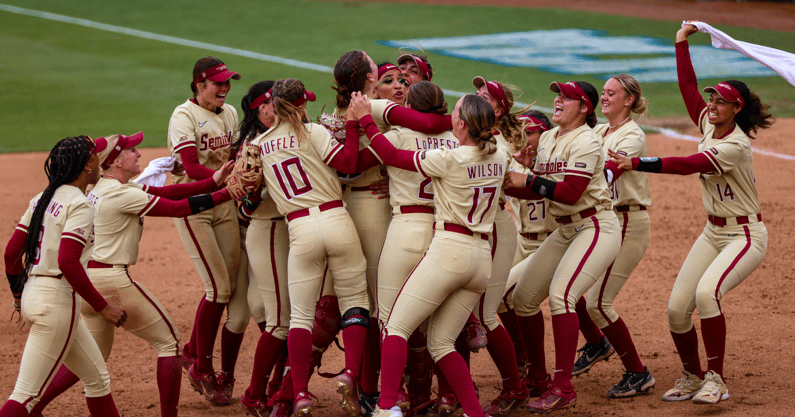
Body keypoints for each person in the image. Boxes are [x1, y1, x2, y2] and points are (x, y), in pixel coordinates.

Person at [608, 22, 771, 405]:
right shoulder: (709, 123)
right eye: (711, 99)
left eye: (720, 102)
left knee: (707, 294)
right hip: (713, 234)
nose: (710, 105)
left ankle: (717, 379)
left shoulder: (735, 145)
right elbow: (687, 88)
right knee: (677, 309)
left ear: (737, 108)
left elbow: (688, 163)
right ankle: (692, 377)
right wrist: (681, 42)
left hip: (745, 237)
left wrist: (637, 163)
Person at [27, 132, 237, 417]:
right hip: (112, 283)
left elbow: (167, 192)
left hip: (88, 284)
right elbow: (176, 209)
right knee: (170, 344)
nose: (138, 154)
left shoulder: (100, 189)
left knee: (93, 358)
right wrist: (228, 193)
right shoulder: (122, 194)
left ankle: (34, 407)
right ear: (114, 161)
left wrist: (214, 182)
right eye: (132, 150)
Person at [349, 92, 510, 417]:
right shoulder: (501, 154)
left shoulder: (450, 159)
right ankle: (475, 414)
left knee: (395, 327)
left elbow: (392, 155)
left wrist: (366, 118)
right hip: (480, 259)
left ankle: (384, 409)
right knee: (441, 343)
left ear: (461, 124)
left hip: (449, 252)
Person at [250, 78, 371, 417]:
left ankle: (300, 393)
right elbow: (348, 163)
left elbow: (249, 196)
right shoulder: (313, 132)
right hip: (336, 219)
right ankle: (350, 373)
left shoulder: (259, 145)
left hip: (299, 230)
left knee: (300, 318)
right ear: (301, 105)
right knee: (355, 302)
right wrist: (350, 124)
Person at [503, 80, 623, 413]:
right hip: (566, 229)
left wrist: (525, 178)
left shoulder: (585, 140)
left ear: (584, 108)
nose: (558, 99)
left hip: (595, 226)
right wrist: (503, 186)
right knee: (522, 299)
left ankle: (563, 387)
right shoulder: (549, 140)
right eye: (558, 94)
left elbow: (569, 192)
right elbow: (538, 190)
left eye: (567, 97)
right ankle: (538, 377)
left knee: (562, 296)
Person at [2, 136, 127, 417]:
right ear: (85, 166)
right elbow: (68, 262)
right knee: (25, 397)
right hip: (56, 303)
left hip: (34, 294)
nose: (100, 161)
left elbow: (11, 254)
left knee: (97, 379)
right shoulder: (80, 204)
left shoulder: (40, 199)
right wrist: (102, 307)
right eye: (95, 157)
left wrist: (19, 296)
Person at [569, 74, 656, 398]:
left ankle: (638, 373)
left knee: (599, 303)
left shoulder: (632, 135)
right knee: (564, 283)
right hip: (602, 221)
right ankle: (596, 342)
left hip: (626, 223)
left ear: (629, 100)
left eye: (611, 93)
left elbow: (607, 171)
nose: (604, 98)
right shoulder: (600, 130)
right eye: (602, 93)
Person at [167, 56, 242, 406]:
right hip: (194, 208)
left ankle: (190, 351)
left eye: (227, 83)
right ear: (199, 85)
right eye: (218, 84)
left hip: (224, 203)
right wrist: (219, 178)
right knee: (218, 288)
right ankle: (201, 367)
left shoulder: (228, 114)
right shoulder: (183, 116)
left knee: (225, 283)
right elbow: (191, 166)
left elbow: (235, 157)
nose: (225, 89)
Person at [234, 81, 293, 417]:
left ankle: (276, 384)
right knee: (280, 319)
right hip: (269, 232)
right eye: (273, 103)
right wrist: (255, 194)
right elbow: (244, 208)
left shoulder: (288, 136)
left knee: (276, 312)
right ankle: (256, 393)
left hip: (283, 232)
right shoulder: (254, 147)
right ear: (261, 110)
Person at [498, 110, 557, 384]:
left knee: (513, 294)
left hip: (551, 243)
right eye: (517, 133)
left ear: (545, 133)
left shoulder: (554, 161)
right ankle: (521, 355)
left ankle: (534, 367)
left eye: (530, 132)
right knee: (494, 296)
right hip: (522, 242)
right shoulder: (513, 160)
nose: (523, 138)